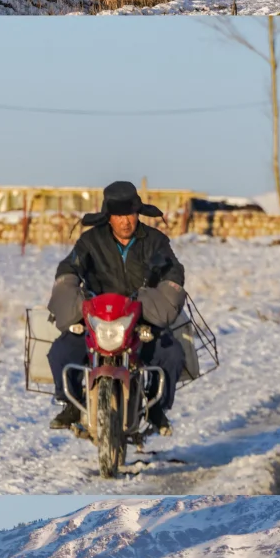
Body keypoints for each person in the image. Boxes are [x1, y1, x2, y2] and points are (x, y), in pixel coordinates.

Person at [46, 180, 187, 435]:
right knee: (60, 351)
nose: (126, 221)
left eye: (130, 214)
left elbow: (173, 270)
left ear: (138, 213)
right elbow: (70, 266)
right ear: (108, 216)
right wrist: (68, 288)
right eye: (119, 215)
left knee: (172, 353)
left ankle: (157, 407)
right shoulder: (90, 242)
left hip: (141, 317)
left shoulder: (155, 241)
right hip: (98, 319)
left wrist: (166, 291)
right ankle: (72, 404)